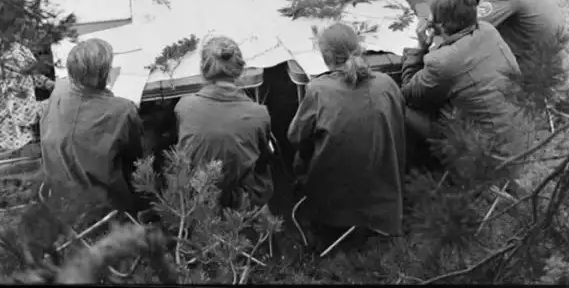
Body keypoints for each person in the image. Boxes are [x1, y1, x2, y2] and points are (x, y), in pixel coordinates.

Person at [287, 23, 406, 237]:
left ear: (326, 57)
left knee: (300, 156)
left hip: (336, 197)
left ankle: (315, 223)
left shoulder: (319, 90)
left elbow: (295, 136)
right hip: (384, 185)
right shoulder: (387, 83)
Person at [401, 0, 523, 158]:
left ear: (440, 25)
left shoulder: (442, 62)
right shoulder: (487, 29)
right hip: (519, 137)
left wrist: (420, 48)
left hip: (488, 153)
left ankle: (423, 165)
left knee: (397, 106)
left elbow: (408, 94)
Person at [40, 39, 144, 213]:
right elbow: (135, 158)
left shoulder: (58, 93)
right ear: (105, 74)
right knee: (152, 141)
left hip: (58, 194)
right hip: (104, 203)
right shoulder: (122, 110)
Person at [174, 36, 273, 209]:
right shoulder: (259, 114)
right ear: (241, 69)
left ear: (203, 69)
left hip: (197, 198)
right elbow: (263, 154)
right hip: (243, 200)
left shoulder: (184, 106)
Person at [0, 0, 52, 152]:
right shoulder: (11, 58)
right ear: (15, 26)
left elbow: (26, 72)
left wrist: (48, 83)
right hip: (13, 137)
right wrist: (58, 100)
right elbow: (26, 116)